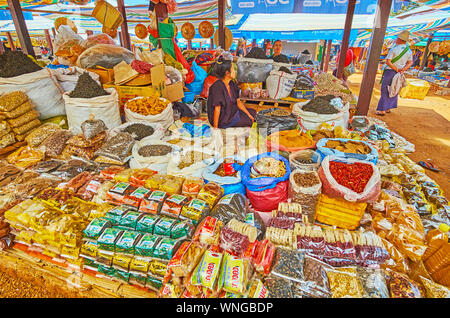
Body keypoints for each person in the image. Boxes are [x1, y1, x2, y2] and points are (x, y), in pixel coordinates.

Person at [207, 56, 257, 129]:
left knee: (253, 113)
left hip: (231, 112)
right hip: (223, 119)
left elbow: (238, 101)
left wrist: (249, 115)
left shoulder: (231, 84)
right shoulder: (217, 87)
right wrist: (216, 128)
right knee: (251, 121)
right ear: (227, 73)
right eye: (233, 70)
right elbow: (217, 109)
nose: (235, 72)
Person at [376, 30, 413, 116]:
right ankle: (388, 108)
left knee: (385, 89)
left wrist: (396, 69)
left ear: (400, 39)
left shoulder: (394, 49)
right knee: (394, 89)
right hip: (399, 73)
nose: (396, 39)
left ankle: (382, 110)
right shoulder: (409, 51)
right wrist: (403, 69)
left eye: (397, 38)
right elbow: (410, 62)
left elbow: (388, 61)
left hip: (390, 71)